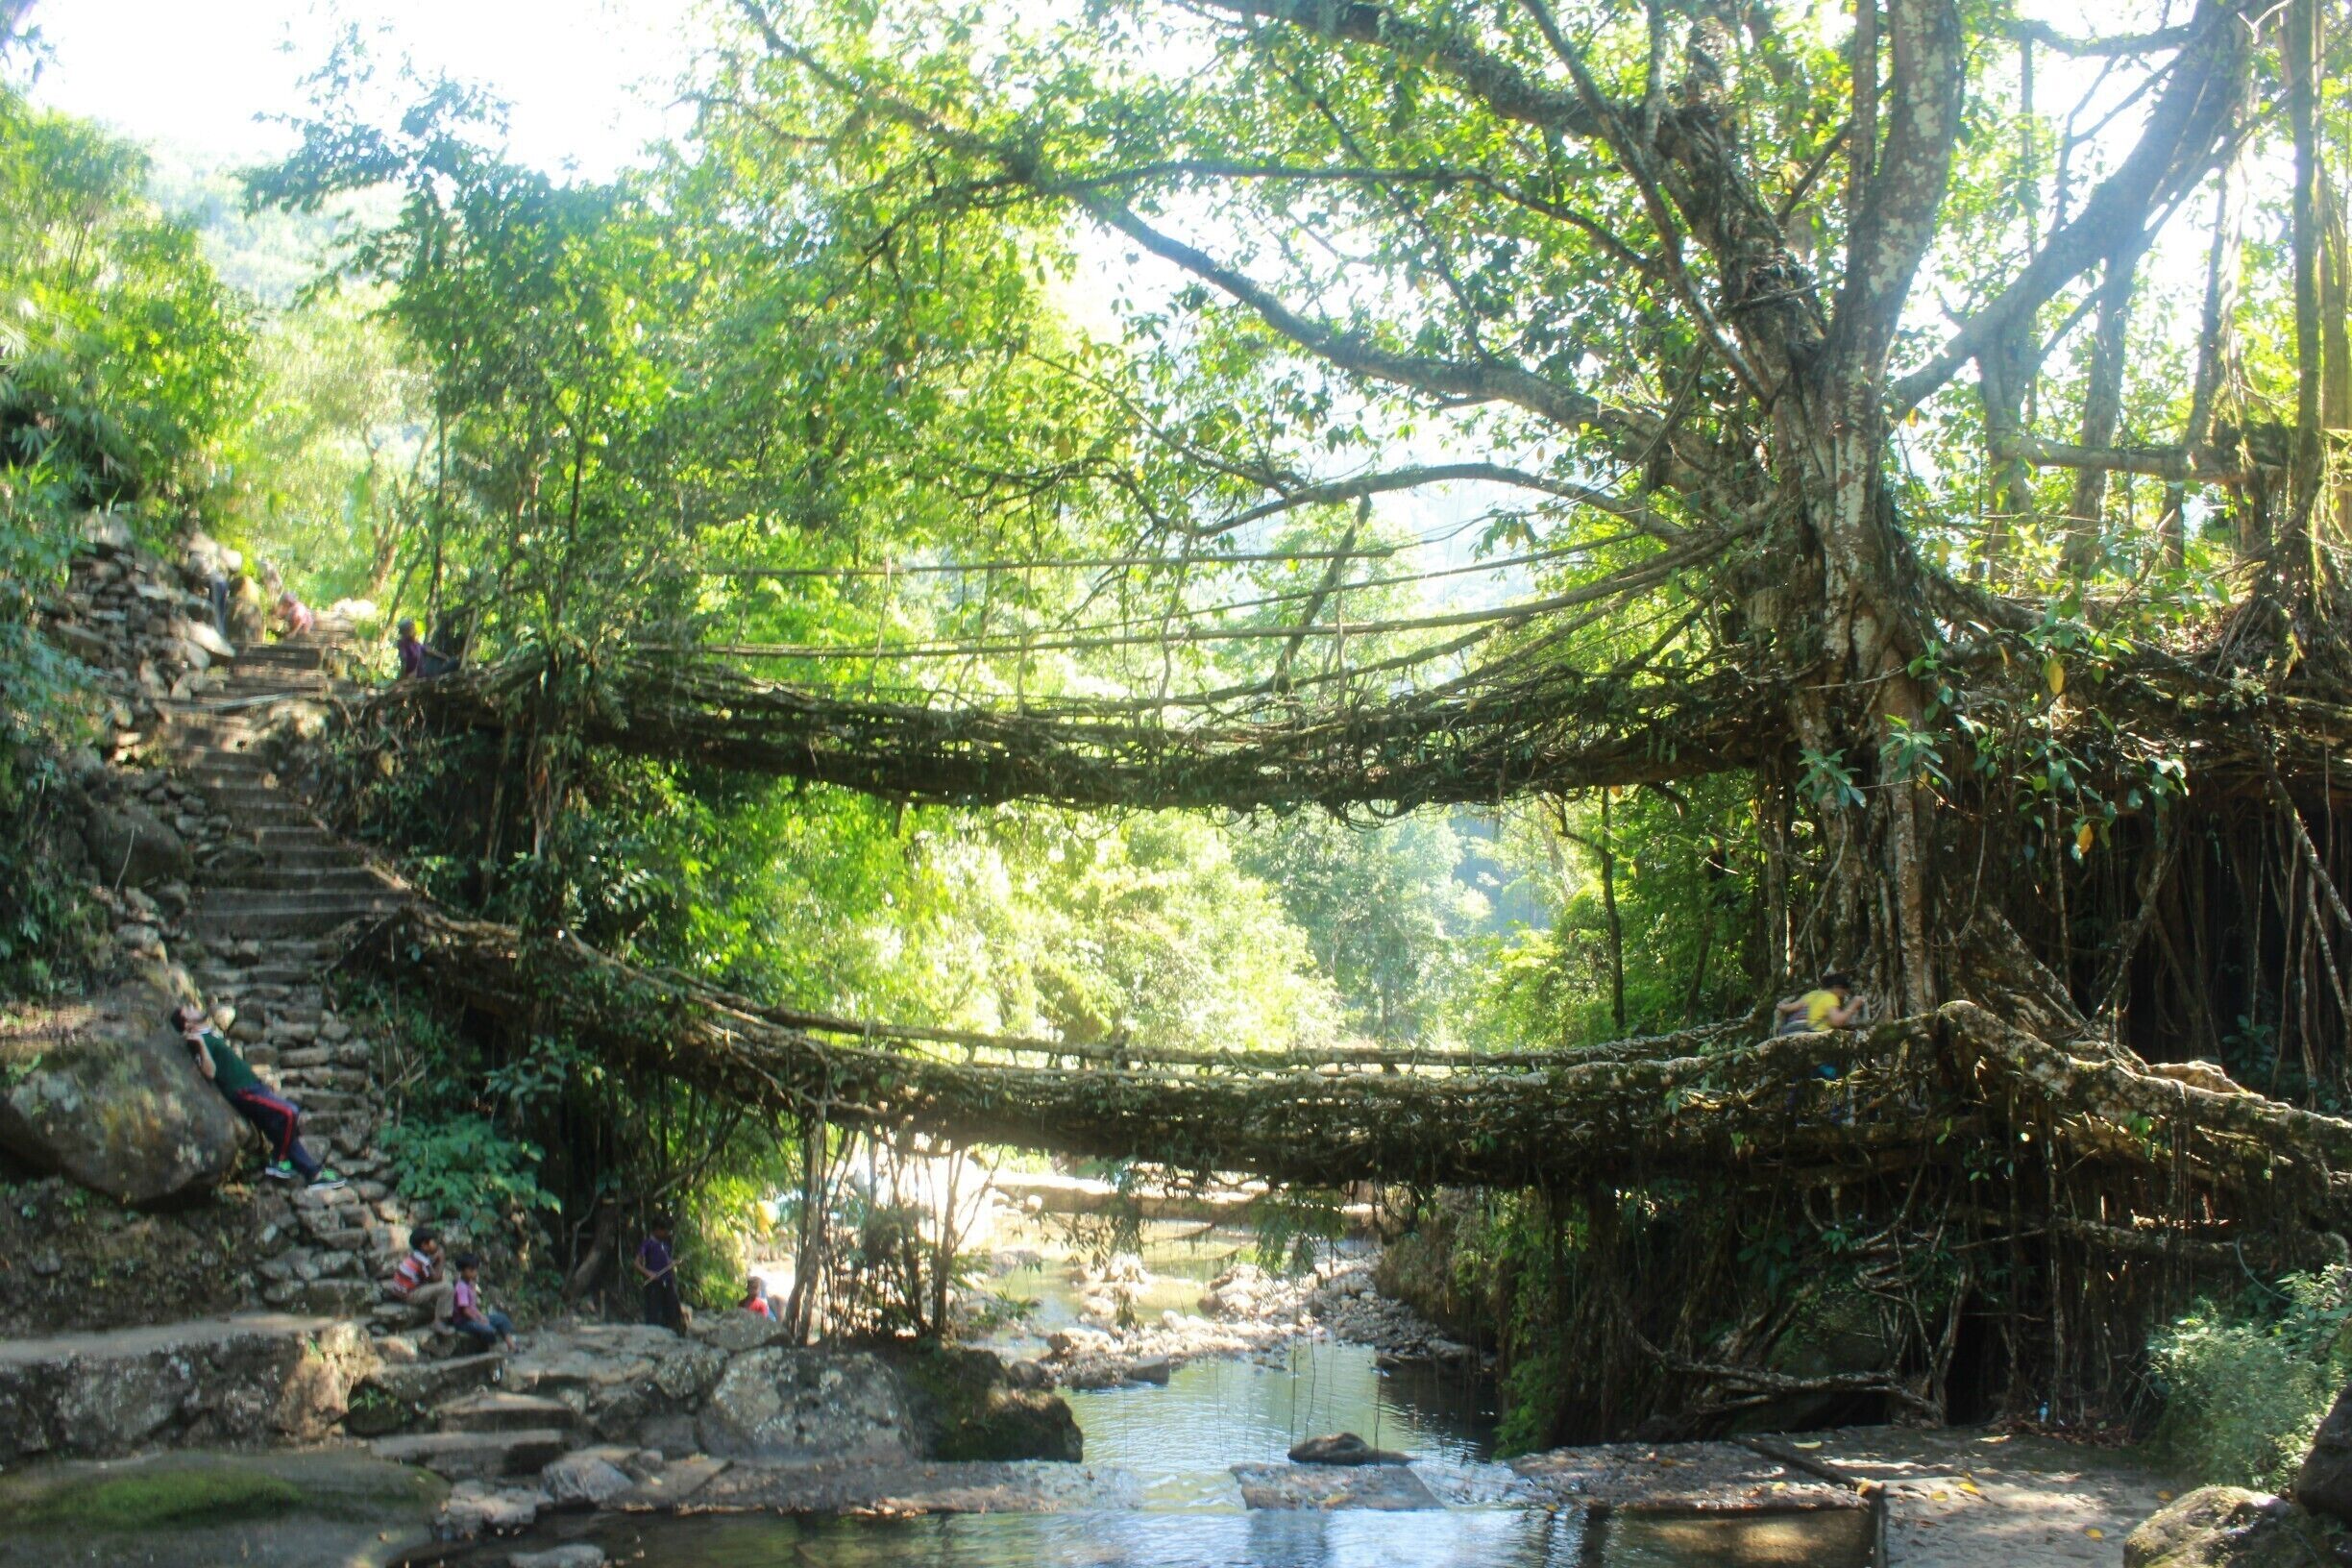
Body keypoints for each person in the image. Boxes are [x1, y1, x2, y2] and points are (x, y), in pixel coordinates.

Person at [173, 1002, 345, 1188]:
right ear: (188, 1024)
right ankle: (279, 1161)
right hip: (243, 1091)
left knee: (282, 1132)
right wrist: (199, 1043)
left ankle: (314, 1173)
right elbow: (210, 1072)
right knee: (289, 1113)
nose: (193, 1006)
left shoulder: (208, 1034)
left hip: (254, 1086)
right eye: (189, 1010)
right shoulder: (199, 1042)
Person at [449, 1254, 520, 1352]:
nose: (475, 1272)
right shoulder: (461, 1287)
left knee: (501, 1318)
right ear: (462, 1271)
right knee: (488, 1329)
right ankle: (492, 1348)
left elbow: (473, 1307)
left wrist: (481, 1316)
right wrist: (479, 1319)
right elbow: (465, 1311)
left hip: (473, 1318)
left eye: (475, 1269)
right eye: (471, 1270)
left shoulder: (470, 1285)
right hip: (463, 1322)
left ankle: (511, 1345)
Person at [386, 1226, 453, 1324]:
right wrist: (442, 1258)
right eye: (433, 1241)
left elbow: (428, 1271)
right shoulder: (422, 1261)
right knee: (447, 1287)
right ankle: (440, 1322)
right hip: (409, 1295)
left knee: (443, 1283)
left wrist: (436, 1260)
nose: (436, 1244)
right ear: (424, 1245)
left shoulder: (416, 1255)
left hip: (401, 1291)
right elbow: (436, 1279)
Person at [1774, 972, 1863, 1036]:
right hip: (1813, 1037)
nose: (1843, 997)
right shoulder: (1830, 997)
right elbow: (1837, 1021)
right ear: (1837, 988)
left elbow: (1790, 1007)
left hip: (1792, 1035)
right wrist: (1853, 1004)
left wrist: (1781, 1006)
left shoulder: (1813, 994)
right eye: (1843, 993)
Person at [636, 1217, 683, 1332]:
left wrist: (672, 1264)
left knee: (672, 1310)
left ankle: (672, 1334)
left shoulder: (666, 1244)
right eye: (665, 1231)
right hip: (653, 1283)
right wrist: (648, 1273)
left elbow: (667, 1260)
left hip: (667, 1281)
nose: (667, 1233)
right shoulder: (647, 1244)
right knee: (653, 1312)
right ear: (657, 1230)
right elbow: (636, 1263)